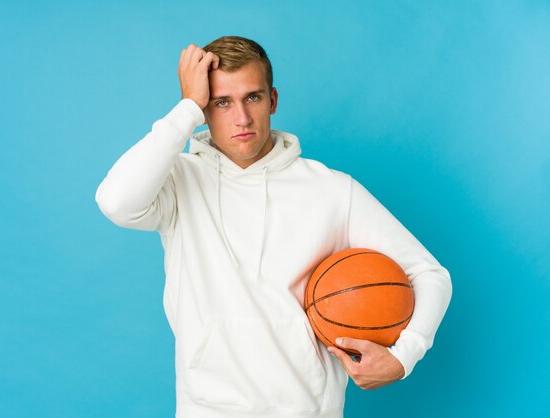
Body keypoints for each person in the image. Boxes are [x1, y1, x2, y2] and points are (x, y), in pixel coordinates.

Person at [95, 35, 452, 418]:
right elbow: (116, 202)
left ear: (273, 100)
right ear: (204, 109)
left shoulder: (331, 189)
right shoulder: (178, 182)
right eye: (221, 102)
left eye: (253, 97)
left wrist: (404, 356)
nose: (242, 118)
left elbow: (428, 273)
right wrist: (184, 110)